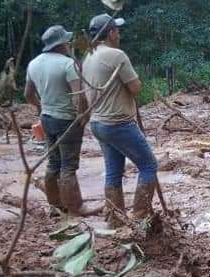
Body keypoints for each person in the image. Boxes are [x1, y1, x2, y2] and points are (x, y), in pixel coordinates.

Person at [81, 13, 159, 221]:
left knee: (113, 172)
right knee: (149, 166)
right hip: (118, 123)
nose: (119, 33)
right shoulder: (116, 55)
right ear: (111, 33)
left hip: (98, 122)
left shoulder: (88, 56)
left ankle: (115, 219)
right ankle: (140, 217)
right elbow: (135, 87)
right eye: (117, 30)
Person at [24, 25, 87, 213]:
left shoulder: (33, 64)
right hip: (66, 119)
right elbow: (79, 95)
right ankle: (75, 207)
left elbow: (27, 94)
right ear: (61, 44)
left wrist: (41, 107)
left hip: (47, 118)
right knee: (68, 166)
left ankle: (55, 206)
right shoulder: (67, 64)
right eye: (67, 41)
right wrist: (82, 116)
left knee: (53, 163)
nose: (69, 44)